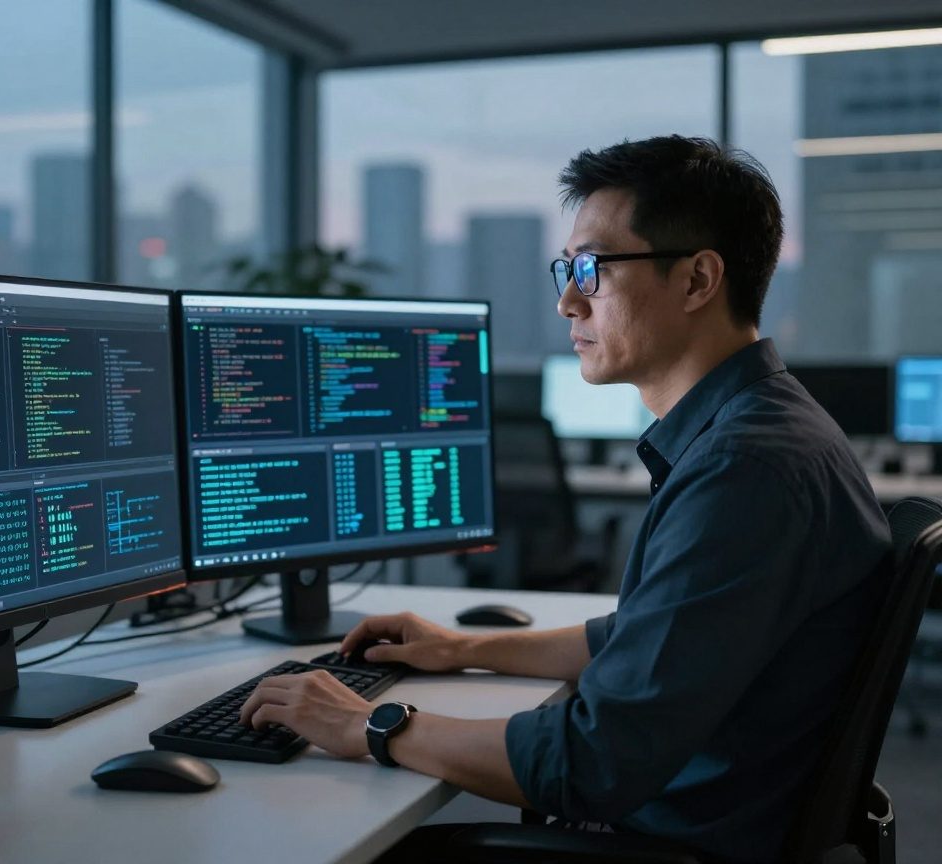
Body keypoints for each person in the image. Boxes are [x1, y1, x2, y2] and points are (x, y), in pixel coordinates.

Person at [238, 135, 892, 864]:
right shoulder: (756, 431)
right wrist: (462, 649)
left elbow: (592, 760)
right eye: (567, 268)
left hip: (670, 840)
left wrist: (372, 725)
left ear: (698, 279)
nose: (567, 299)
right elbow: (649, 641)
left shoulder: (747, 469)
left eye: (592, 269)